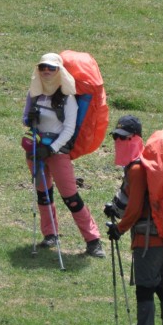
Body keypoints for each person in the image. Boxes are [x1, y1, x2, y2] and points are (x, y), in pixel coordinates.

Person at [104, 114, 163, 325]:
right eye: (116, 137)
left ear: (136, 138)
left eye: (123, 138)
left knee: (145, 290)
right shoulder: (150, 164)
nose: (119, 142)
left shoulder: (137, 169)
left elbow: (135, 208)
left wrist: (119, 229)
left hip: (148, 241)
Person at [22, 53, 105, 258]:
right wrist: (28, 119)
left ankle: (93, 240)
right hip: (35, 150)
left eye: (51, 68)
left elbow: (68, 129)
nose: (47, 71)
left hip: (57, 152)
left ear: (60, 70)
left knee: (71, 197)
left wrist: (51, 149)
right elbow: (25, 119)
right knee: (43, 194)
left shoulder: (68, 98)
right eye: (43, 67)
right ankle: (50, 235)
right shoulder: (34, 93)